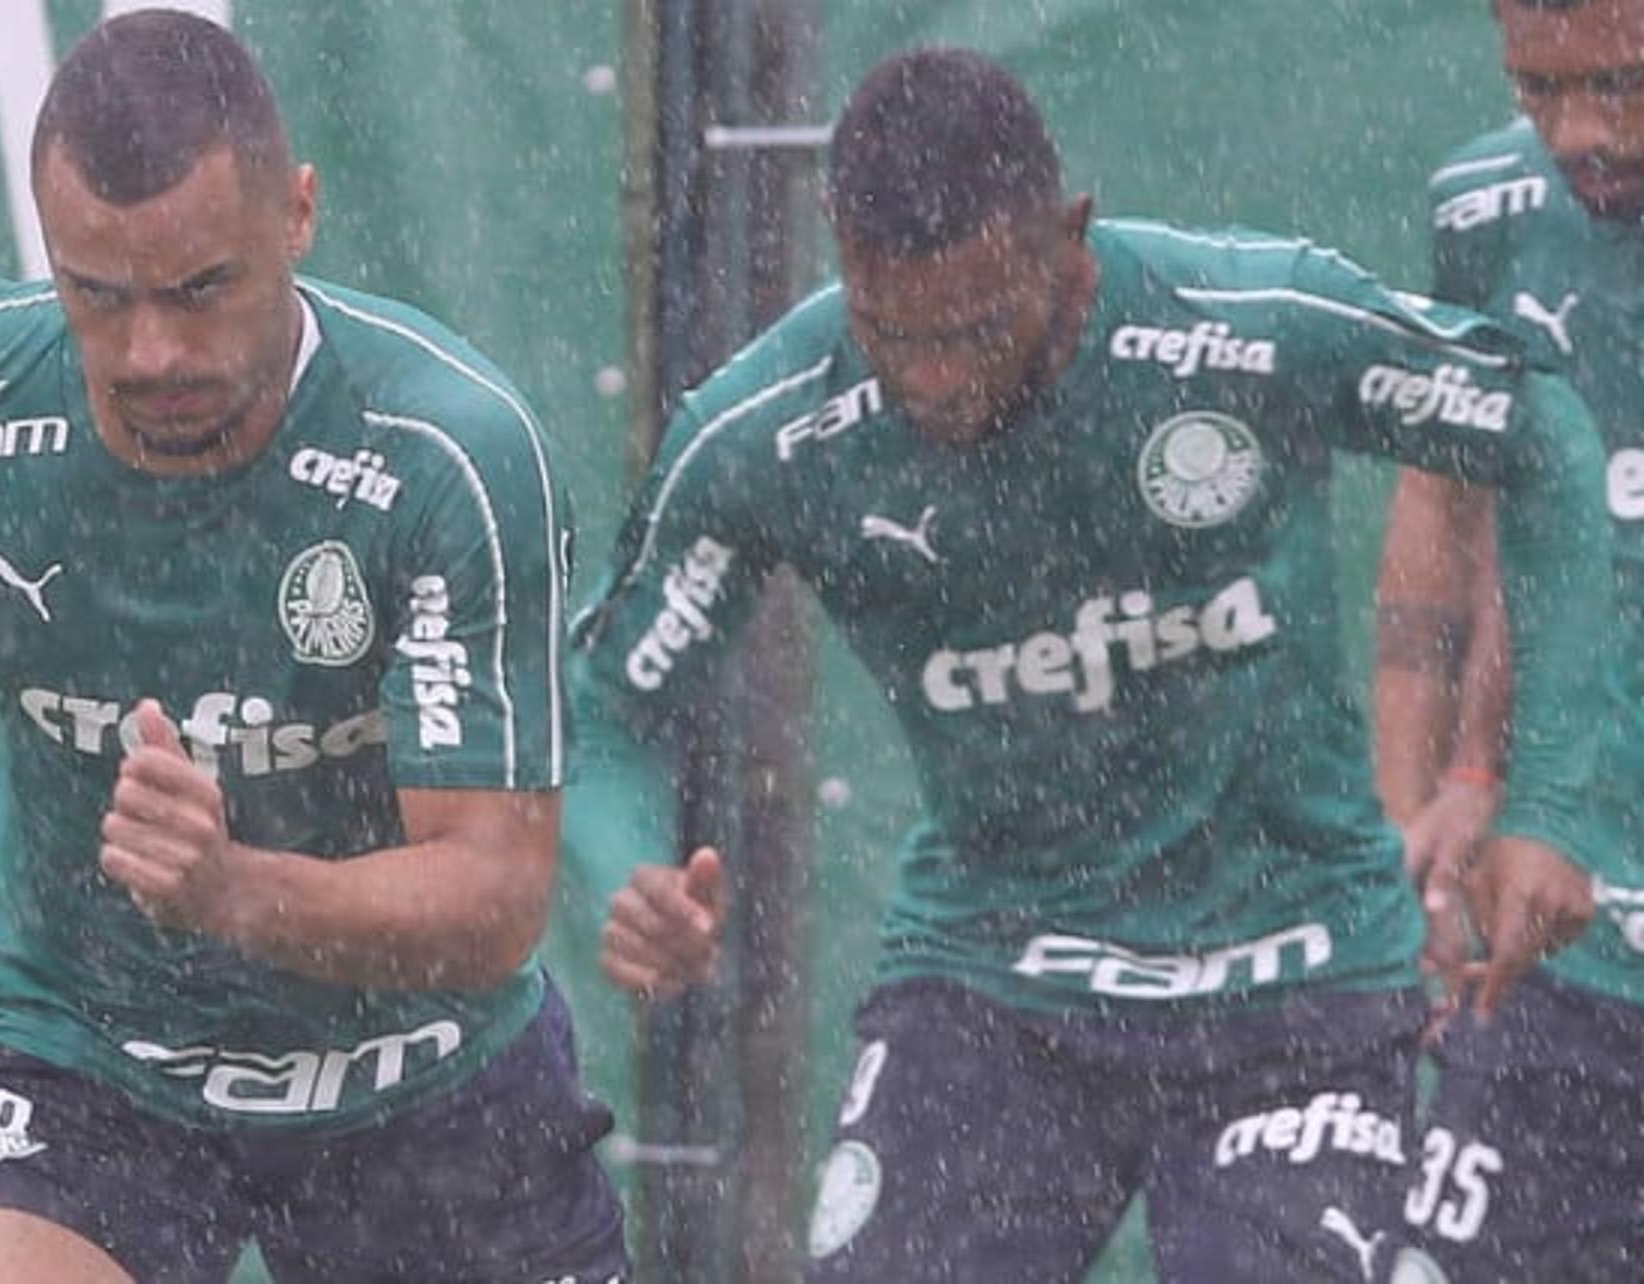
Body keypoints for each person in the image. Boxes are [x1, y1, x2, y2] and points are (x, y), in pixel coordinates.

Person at [577, 47, 1607, 1283]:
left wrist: (1544, 799)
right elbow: (605, 712)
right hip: (994, 987)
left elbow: (1542, 430)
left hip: (1299, 978)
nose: (935, 380)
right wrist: (626, 873)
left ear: (1070, 237)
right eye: (892, 333)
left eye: (973, 327)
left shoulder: (1247, 325)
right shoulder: (765, 434)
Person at [0, 10, 627, 1283]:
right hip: (84, 1043)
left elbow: (493, 900)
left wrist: (231, 890)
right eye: (97, 296)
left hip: (422, 1074)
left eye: (201, 288)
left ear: (300, 217)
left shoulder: (447, 455)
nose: (150, 351)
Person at [1374, 1, 1644, 1277]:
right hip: (1563, 933)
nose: (1582, 131)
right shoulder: (1488, 214)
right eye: (1540, 89)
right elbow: (1449, 488)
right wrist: (1431, 794)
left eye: (1624, 81)